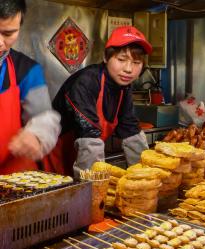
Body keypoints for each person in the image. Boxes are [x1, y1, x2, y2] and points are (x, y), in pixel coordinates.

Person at [44, 26, 152, 177]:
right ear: (106, 58)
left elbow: (130, 129)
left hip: (83, 153)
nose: (129, 69)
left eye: (136, 62)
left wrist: (145, 175)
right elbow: (90, 136)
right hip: (56, 153)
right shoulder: (86, 82)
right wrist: (92, 188)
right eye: (121, 59)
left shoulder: (124, 86)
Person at [0, 0, 60, 174]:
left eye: (8, 33)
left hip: (13, 182)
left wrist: (36, 135)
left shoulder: (26, 70)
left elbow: (44, 118)